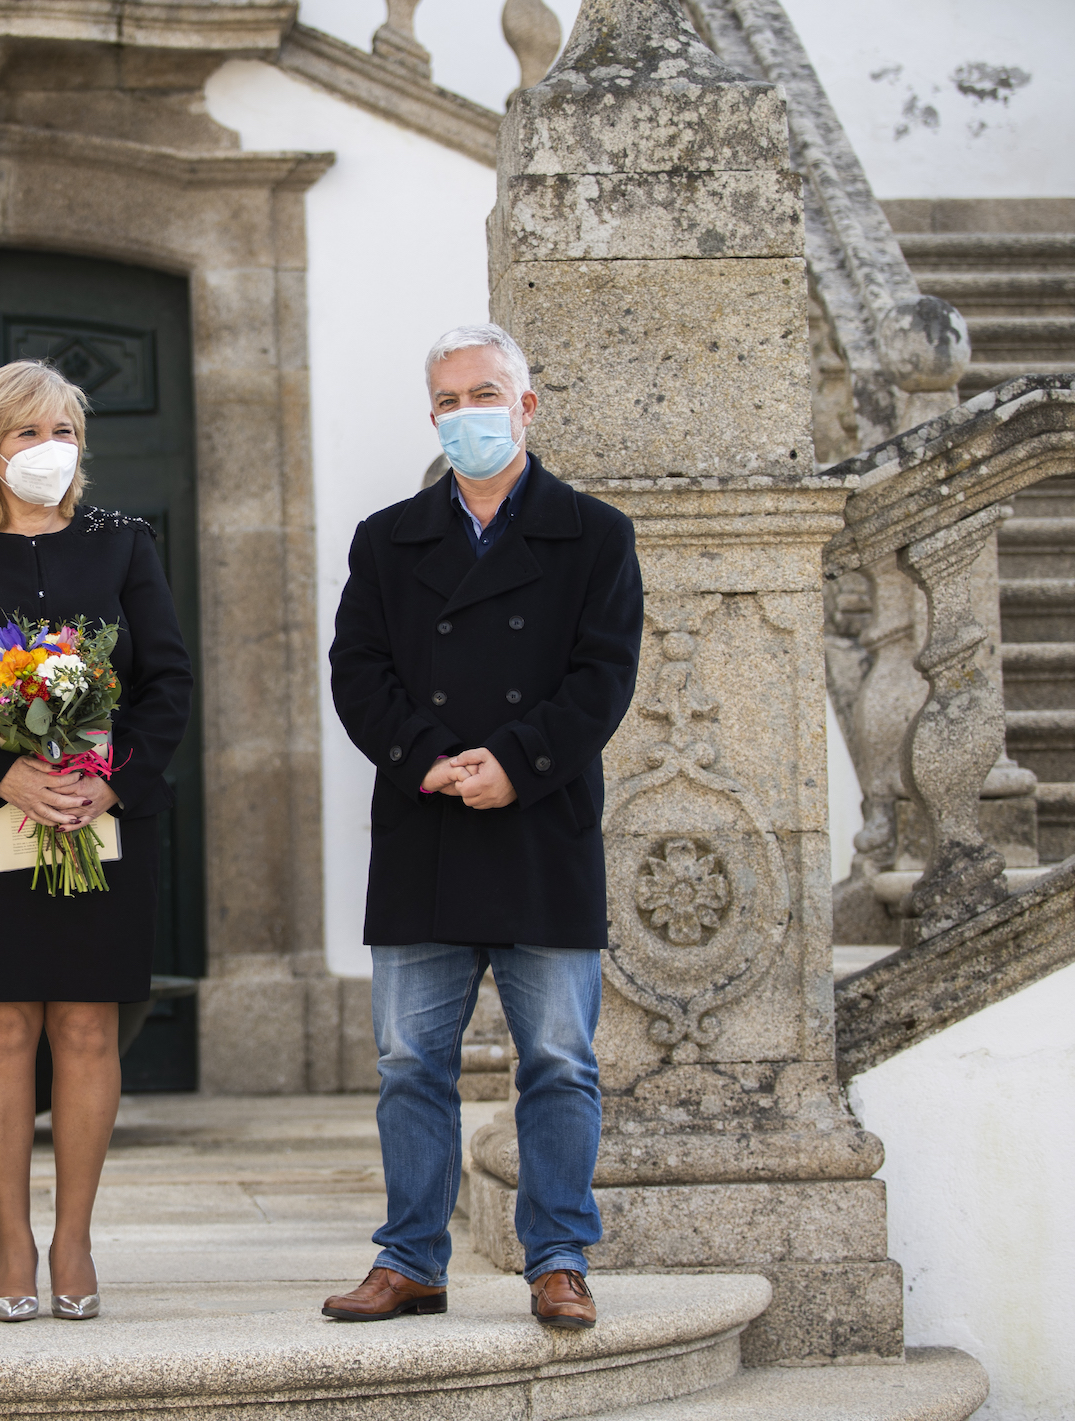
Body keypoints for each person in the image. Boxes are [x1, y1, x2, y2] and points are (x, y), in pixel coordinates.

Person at [324, 324, 643, 1330]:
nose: (470, 413)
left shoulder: (596, 534)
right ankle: (411, 1256)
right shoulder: (388, 538)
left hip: (542, 825)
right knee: (411, 1063)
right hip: (426, 826)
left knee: (557, 1058)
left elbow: (603, 677)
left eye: (487, 393)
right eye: (451, 400)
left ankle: (557, 1256)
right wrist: (428, 759)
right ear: (433, 415)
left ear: (528, 404)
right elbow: (357, 670)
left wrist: (515, 763)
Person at [0, 361, 194, 1322]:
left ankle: (75, 1236)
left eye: (62, 430)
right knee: (3, 1024)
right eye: (25, 433)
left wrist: (106, 782)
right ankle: (13, 1237)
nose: (46, 450)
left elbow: (167, 680)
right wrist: (4, 774)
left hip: (104, 821)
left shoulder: (125, 544)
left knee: (90, 1026)